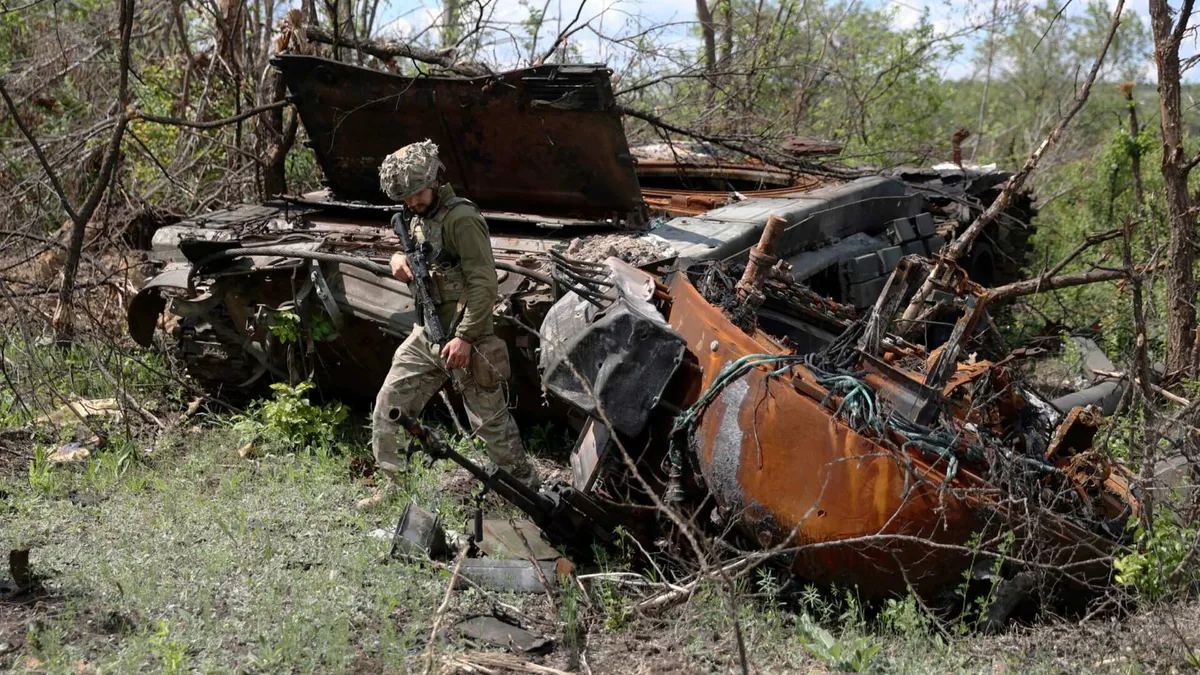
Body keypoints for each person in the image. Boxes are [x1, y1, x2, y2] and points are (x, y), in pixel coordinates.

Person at [357, 140, 540, 509]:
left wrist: (465, 337)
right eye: (405, 197)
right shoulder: (416, 217)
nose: (412, 202)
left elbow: (484, 283)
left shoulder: (462, 219)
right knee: (389, 405)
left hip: (466, 338)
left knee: (490, 425)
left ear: (434, 180)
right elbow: (418, 254)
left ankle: (527, 494)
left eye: (417, 193)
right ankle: (394, 486)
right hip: (427, 335)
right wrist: (397, 259)